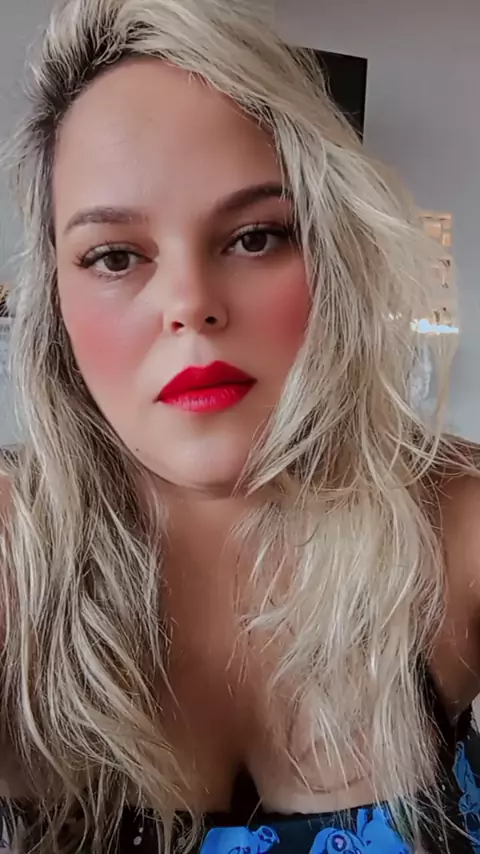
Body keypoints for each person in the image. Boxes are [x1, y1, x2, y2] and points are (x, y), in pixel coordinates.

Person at [1, 0, 480, 851]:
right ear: (57, 302)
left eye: (256, 237)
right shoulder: (13, 563)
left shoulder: (456, 527)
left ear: (331, 256)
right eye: (116, 256)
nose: (191, 305)